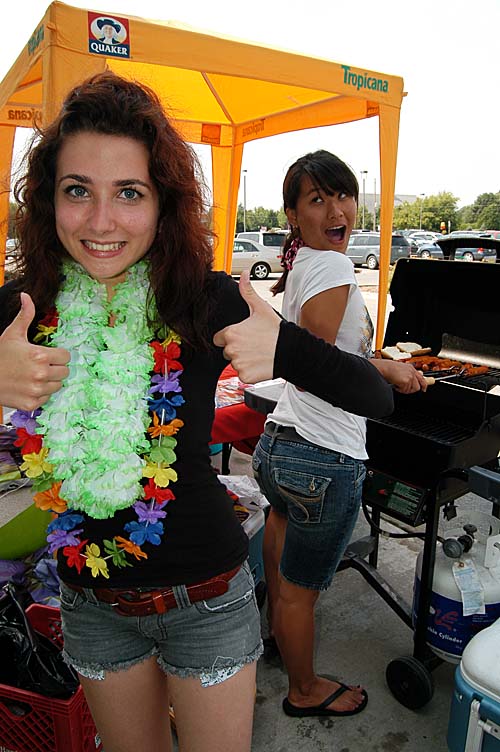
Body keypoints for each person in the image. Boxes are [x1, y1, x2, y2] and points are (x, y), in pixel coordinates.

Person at [0, 75, 400, 752]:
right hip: (91, 605)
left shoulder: (204, 300)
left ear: (163, 204)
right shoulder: (24, 308)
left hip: (206, 601)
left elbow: (376, 397)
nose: (102, 222)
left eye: (129, 192)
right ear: (47, 201)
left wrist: (286, 347)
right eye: (78, 191)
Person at [252, 150, 427, 720]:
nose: (337, 209)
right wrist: (389, 369)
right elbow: (321, 360)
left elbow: (317, 348)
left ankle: (281, 640)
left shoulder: (306, 262)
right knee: (302, 593)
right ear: (293, 213)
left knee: (282, 569)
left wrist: (369, 357)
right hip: (323, 455)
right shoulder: (333, 265)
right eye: (317, 198)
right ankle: (303, 690)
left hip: (279, 444)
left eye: (343, 194)